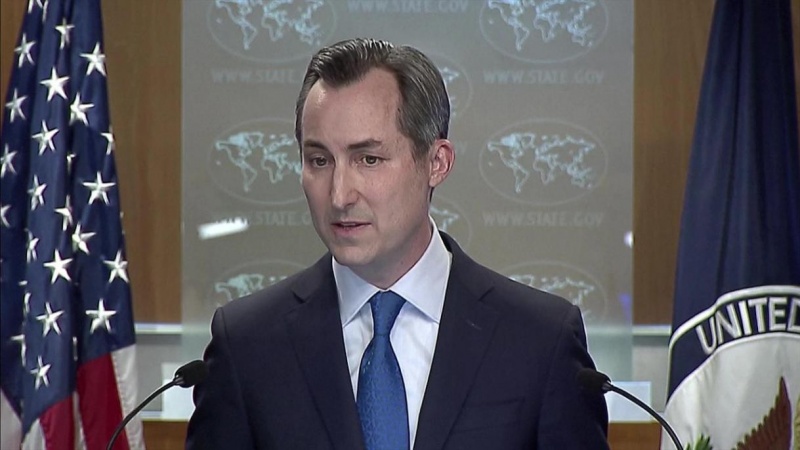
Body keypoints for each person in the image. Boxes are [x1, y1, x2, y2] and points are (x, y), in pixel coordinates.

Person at [186, 38, 609, 449]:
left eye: (368, 159)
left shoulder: (540, 341)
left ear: (436, 163)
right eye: (319, 160)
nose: (339, 195)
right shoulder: (247, 345)